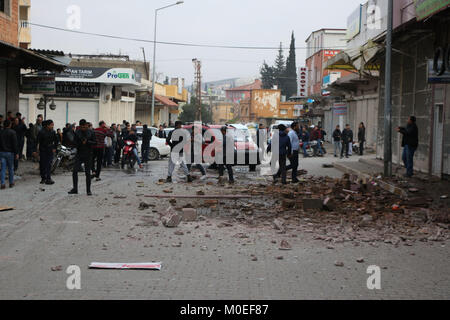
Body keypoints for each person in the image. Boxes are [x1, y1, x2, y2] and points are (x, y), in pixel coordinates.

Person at [68, 119, 97, 196]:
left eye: (84, 127)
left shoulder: (91, 132)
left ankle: (88, 190)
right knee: (74, 171)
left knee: (87, 173)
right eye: (82, 127)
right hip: (79, 154)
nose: (83, 128)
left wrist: (87, 142)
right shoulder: (77, 132)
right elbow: (74, 143)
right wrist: (79, 143)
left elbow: (95, 142)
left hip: (88, 154)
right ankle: (75, 189)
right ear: (80, 126)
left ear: (87, 125)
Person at [36, 120, 59, 185]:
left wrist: (54, 148)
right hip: (43, 150)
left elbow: (56, 141)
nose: (52, 126)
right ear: (47, 125)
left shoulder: (53, 132)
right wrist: (35, 151)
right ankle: (43, 178)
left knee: (49, 164)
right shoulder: (41, 132)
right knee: (43, 164)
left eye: (53, 125)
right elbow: (37, 141)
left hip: (50, 150)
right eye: (51, 125)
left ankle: (48, 178)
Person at [0, 119, 19, 189]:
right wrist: (16, 153)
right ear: (10, 125)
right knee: (11, 168)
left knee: (3, 169)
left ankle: (2, 183)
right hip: (10, 153)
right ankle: (11, 183)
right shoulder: (12, 132)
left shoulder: (1, 132)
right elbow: (15, 144)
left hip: (1, 152)